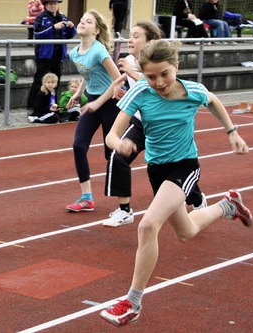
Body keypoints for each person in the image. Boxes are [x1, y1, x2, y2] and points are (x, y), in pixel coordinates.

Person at [99, 39, 253, 326]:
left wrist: (232, 131)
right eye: (151, 76)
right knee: (186, 231)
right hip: (157, 170)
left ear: (177, 67)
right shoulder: (141, 93)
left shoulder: (193, 91)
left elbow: (215, 101)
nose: (158, 82)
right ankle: (228, 205)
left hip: (185, 166)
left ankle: (132, 302)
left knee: (147, 225)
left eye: (164, 74)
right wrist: (118, 144)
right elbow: (112, 133)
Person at [101, 20, 207, 227]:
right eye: (130, 35)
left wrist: (133, 72)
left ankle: (196, 199)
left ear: (151, 41)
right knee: (118, 156)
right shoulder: (128, 60)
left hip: (163, 125)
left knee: (174, 167)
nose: (130, 39)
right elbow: (127, 85)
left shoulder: (158, 61)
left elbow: (162, 84)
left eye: (136, 35)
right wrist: (117, 89)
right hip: (141, 123)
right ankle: (124, 211)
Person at [63, 9, 121, 212]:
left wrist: (98, 103)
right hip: (93, 101)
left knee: (111, 154)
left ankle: (124, 201)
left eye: (88, 22)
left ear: (96, 31)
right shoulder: (74, 52)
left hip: (111, 102)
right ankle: (86, 197)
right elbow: (88, 76)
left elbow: (118, 81)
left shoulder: (99, 51)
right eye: (81, 20)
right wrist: (79, 93)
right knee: (79, 146)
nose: (82, 23)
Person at [26, 0, 76, 109]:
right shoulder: (41, 17)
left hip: (58, 53)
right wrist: (53, 27)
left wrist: (71, 28)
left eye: (55, 3)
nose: (53, 6)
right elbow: (37, 34)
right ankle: (33, 105)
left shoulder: (62, 17)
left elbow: (69, 35)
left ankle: (53, 103)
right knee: (40, 79)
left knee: (56, 79)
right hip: (45, 54)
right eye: (51, 4)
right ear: (46, 5)